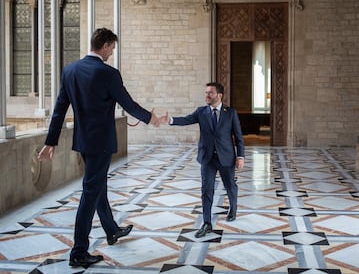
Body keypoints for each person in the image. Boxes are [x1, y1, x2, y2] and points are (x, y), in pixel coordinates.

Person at [38, 28, 163, 267]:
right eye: (112, 48)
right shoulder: (108, 73)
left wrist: (50, 142)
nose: (112, 53)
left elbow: (59, 110)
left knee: (97, 187)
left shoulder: (70, 70)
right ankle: (78, 251)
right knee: (90, 192)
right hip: (101, 143)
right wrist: (151, 118)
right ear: (105, 46)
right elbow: (128, 103)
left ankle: (111, 229)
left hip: (84, 142)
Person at [161, 82, 245, 238]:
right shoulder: (201, 112)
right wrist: (170, 120)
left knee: (230, 186)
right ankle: (207, 223)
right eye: (206, 92)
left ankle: (233, 207)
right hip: (207, 158)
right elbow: (186, 120)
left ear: (219, 95)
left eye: (210, 93)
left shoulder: (230, 113)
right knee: (206, 191)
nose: (207, 95)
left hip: (226, 157)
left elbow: (238, 137)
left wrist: (240, 156)